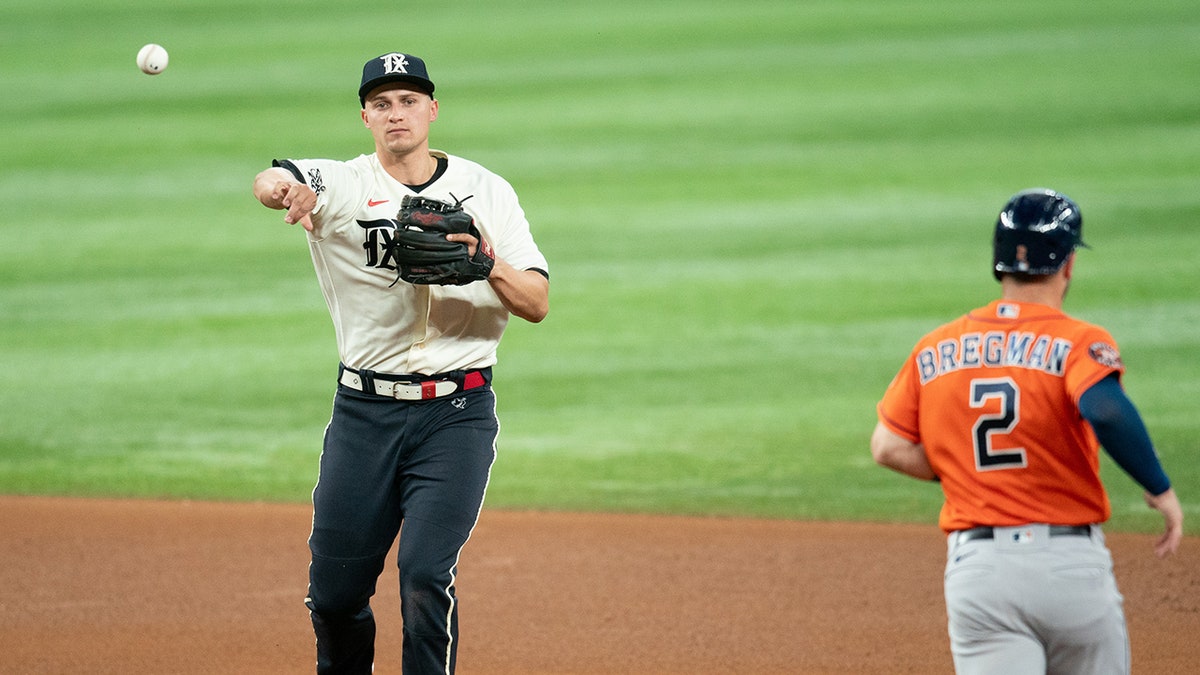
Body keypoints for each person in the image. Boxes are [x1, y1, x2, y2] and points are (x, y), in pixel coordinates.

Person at [251, 52, 550, 674]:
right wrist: (286, 190)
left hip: (456, 416)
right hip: (363, 417)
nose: (396, 114)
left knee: (422, 577)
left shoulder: (489, 191)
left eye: (409, 101)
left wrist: (486, 263)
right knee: (334, 599)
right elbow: (274, 180)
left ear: (432, 109)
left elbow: (537, 302)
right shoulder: (343, 185)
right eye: (382, 104)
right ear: (365, 117)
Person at [870, 188, 1183, 674]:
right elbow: (1106, 410)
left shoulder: (936, 347)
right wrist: (1159, 487)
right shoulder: (1079, 341)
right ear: (1068, 266)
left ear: (999, 264)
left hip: (980, 573)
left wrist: (963, 468)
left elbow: (887, 446)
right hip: (1068, 567)